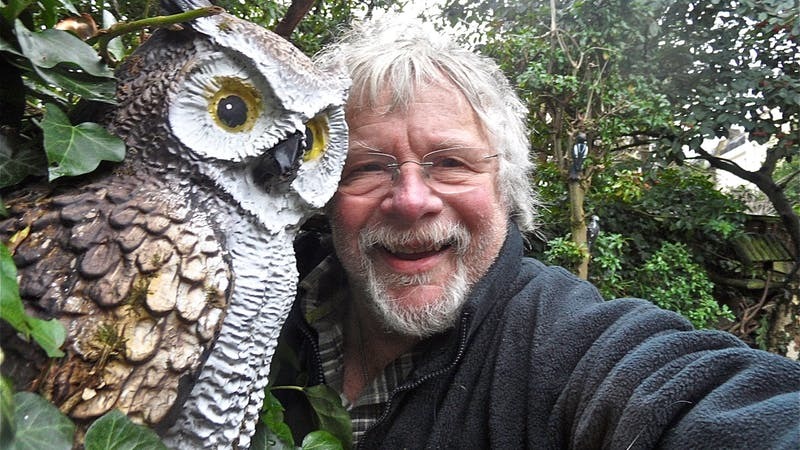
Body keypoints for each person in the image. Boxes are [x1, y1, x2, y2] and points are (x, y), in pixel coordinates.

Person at [269, 14, 800, 449]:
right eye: (366, 167)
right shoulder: (255, 305)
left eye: (451, 162)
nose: (411, 200)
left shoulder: (568, 346)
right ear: (324, 192)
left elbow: (696, 399)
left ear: (506, 185)